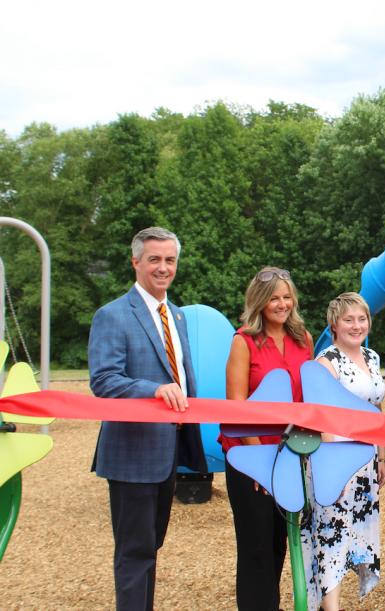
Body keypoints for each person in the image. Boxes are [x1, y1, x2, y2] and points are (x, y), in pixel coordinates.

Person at [89, 227, 207, 611]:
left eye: (169, 259)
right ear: (136, 261)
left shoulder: (177, 315)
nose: (163, 267)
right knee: (134, 553)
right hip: (131, 454)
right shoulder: (112, 315)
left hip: (168, 452)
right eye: (154, 259)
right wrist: (152, 389)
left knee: (150, 547)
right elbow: (104, 381)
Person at [221, 267, 313, 611]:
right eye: (274, 297)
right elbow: (236, 408)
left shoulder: (302, 337)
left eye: (287, 296)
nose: (282, 304)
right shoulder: (242, 341)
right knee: (256, 546)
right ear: (259, 302)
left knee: (280, 541)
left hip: (290, 456)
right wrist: (263, 466)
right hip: (251, 459)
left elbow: (310, 398)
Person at [302, 292, 385, 611]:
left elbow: (377, 408)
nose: (356, 325)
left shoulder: (373, 358)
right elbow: (319, 416)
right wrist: (332, 469)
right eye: (348, 320)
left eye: (361, 319)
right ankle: (331, 607)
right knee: (332, 533)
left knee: (353, 531)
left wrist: (381, 456)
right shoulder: (326, 362)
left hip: (366, 462)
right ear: (334, 325)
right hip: (334, 459)